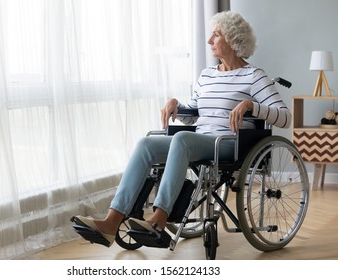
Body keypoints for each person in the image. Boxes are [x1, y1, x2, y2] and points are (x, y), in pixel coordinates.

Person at [71, 11, 292, 247]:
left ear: (233, 39)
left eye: (215, 35)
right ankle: (111, 222)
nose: (209, 41)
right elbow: (194, 113)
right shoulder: (207, 75)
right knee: (146, 144)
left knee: (183, 140)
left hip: (229, 144)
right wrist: (177, 105)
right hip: (197, 140)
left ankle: (159, 218)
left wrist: (252, 106)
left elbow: (285, 118)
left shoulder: (254, 76)